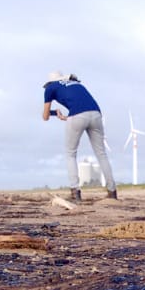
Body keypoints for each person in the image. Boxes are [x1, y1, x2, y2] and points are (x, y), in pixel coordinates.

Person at [42, 71, 118, 201]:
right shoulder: (76, 84)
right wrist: (66, 116)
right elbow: (82, 105)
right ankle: (112, 192)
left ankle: (75, 193)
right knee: (101, 154)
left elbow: (45, 116)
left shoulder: (50, 88)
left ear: (49, 82)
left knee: (70, 154)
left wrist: (55, 112)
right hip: (96, 114)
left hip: (77, 115)